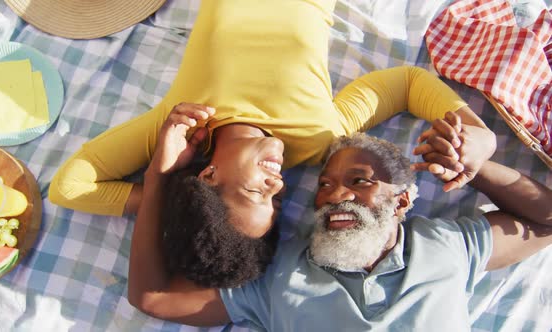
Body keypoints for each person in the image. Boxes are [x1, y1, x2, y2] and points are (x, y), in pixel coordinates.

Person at [49, 0, 488, 287]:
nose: (279, 185)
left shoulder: (182, 122)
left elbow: (68, 187)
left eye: (256, 191)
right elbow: (409, 84)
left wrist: (162, 177)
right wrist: (477, 135)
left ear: (207, 176)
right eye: (275, 202)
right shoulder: (319, 138)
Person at [125, 112, 552, 330]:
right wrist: (158, 175)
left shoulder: (445, 246)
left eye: (359, 181)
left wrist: (478, 167)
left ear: (402, 201)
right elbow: (154, 297)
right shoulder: (279, 275)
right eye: (324, 185)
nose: (333, 195)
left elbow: (546, 219)